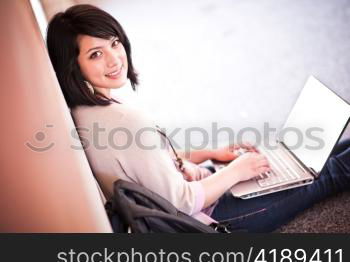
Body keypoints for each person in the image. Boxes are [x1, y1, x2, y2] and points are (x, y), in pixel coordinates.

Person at [46, 4, 350, 232]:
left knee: (302, 160)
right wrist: (235, 171)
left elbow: (149, 161)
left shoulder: (85, 110)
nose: (114, 58)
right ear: (73, 65)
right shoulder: (122, 118)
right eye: (95, 54)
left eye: (114, 43)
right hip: (207, 221)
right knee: (328, 173)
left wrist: (210, 153)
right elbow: (181, 202)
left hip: (195, 190)